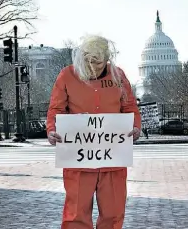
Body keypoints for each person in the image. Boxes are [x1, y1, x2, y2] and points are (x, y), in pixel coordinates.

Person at [46, 35, 141, 229]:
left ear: (107, 60)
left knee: (114, 213)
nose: (93, 67)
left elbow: (130, 106)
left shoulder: (118, 76)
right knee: (75, 214)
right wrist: (52, 129)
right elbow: (56, 109)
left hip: (112, 158)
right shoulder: (67, 76)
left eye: (98, 63)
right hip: (78, 159)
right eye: (88, 61)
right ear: (81, 57)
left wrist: (135, 126)